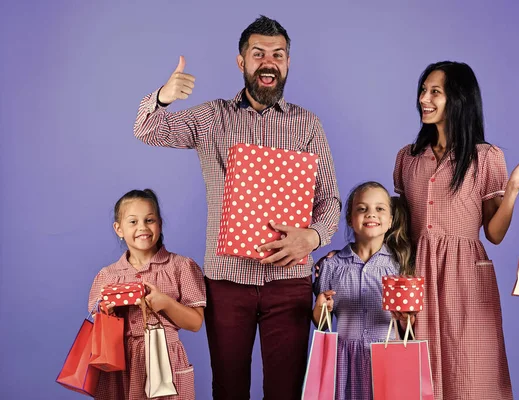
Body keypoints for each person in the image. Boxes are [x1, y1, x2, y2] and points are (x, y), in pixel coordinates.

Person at [133, 15, 341, 399]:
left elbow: (329, 200)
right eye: (258, 53)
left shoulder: (308, 125)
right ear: (241, 61)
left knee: (286, 390)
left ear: (288, 63)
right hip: (227, 280)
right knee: (228, 388)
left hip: (289, 282)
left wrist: (311, 237)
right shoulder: (211, 117)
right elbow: (148, 131)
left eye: (277, 54)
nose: (268, 61)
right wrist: (163, 96)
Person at [393, 61, 519, 400]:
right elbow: (397, 229)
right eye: (423, 91)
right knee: (418, 371)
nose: (424, 98)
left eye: (434, 92)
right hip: (416, 276)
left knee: (472, 371)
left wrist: (511, 190)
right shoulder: (407, 158)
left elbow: (494, 234)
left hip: (467, 278)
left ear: (459, 98)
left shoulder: (486, 157)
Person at [88, 189, 206, 399]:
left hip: (167, 359)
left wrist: (166, 303)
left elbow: (196, 323)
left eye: (149, 220)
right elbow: (98, 325)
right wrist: (106, 312)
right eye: (133, 222)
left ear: (159, 223)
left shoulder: (181, 267)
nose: (142, 227)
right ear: (119, 228)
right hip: (122, 362)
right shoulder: (107, 275)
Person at [313, 181, 414, 399]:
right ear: (350, 219)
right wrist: (320, 309)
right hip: (344, 360)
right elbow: (322, 322)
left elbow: (408, 327)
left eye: (379, 209)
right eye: (361, 208)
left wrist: (406, 319)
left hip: (388, 359)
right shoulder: (331, 266)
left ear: (390, 221)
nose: (371, 214)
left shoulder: (399, 267)